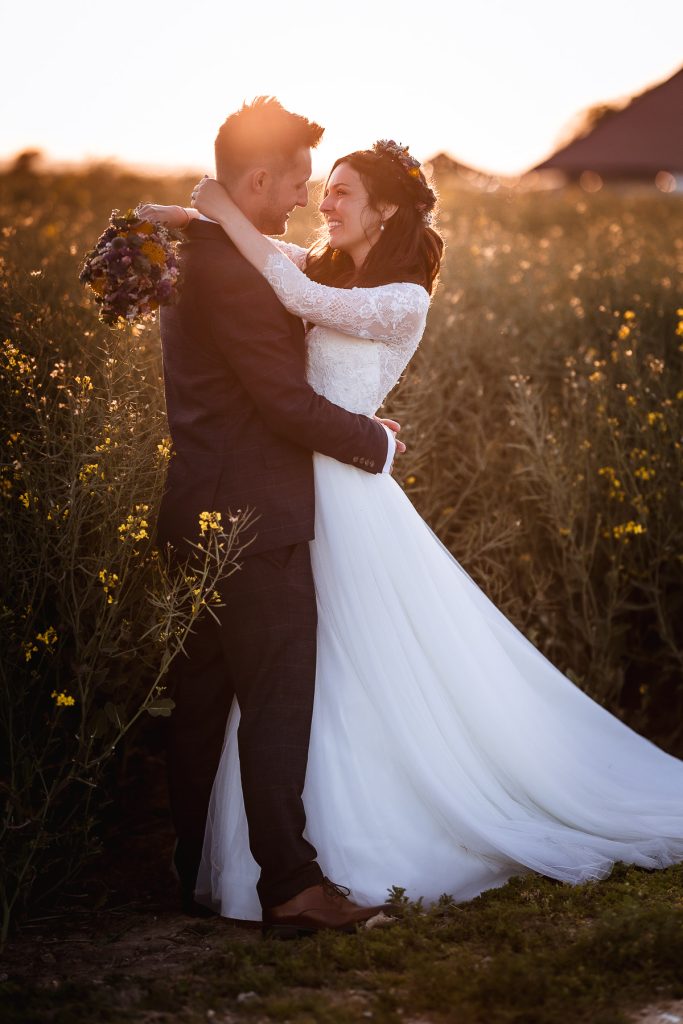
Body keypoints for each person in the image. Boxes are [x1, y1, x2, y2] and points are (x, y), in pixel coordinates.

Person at [145, 125, 683, 929]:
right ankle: (271, 865)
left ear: (388, 212)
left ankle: (330, 846)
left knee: (323, 677)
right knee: (285, 686)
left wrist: (217, 206)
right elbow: (283, 275)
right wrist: (194, 219)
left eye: (341, 192)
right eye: (316, 184)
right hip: (293, 487)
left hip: (335, 490)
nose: (321, 201)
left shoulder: (400, 298)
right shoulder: (312, 265)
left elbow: (296, 301)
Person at [147, 97, 405, 937]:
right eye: (296, 179)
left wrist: (193, 205)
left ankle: (192, 873)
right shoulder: (232, 276)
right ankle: (291, 888)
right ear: (257, 178)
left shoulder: (197, 250)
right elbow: (287, 406)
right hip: (254, 518)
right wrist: (374, 442)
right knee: (274, 702)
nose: (302, 196)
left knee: (202, 705)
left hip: (197, 508)